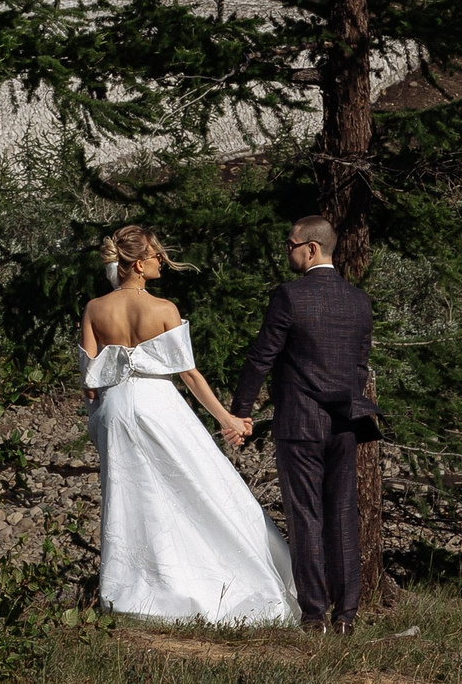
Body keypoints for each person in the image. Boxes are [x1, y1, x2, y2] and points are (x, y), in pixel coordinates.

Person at [78, 225, 301, 626]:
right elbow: (190, 376)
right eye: (156, 256)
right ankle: (211, 578)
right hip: (158, 406)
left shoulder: (95, 309)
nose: (162, 262)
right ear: (139, 265)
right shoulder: (163, 309)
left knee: (132, 497)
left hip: (115, 409)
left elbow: (89, 380)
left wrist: (99, 421)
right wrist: (227, 418)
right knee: (197, 484)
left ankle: (136, 590)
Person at [229, 215, 379, 633]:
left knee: (306, 516)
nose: (287, 250)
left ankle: (315, 615)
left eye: (290, 244)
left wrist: (241, 410)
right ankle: (346, 615)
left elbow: (261, 357)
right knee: (343, 515)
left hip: (299, 422)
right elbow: (360, 366)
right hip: (346, 422)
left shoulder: (290, 296)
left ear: (311, 248)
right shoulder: (359, 301)